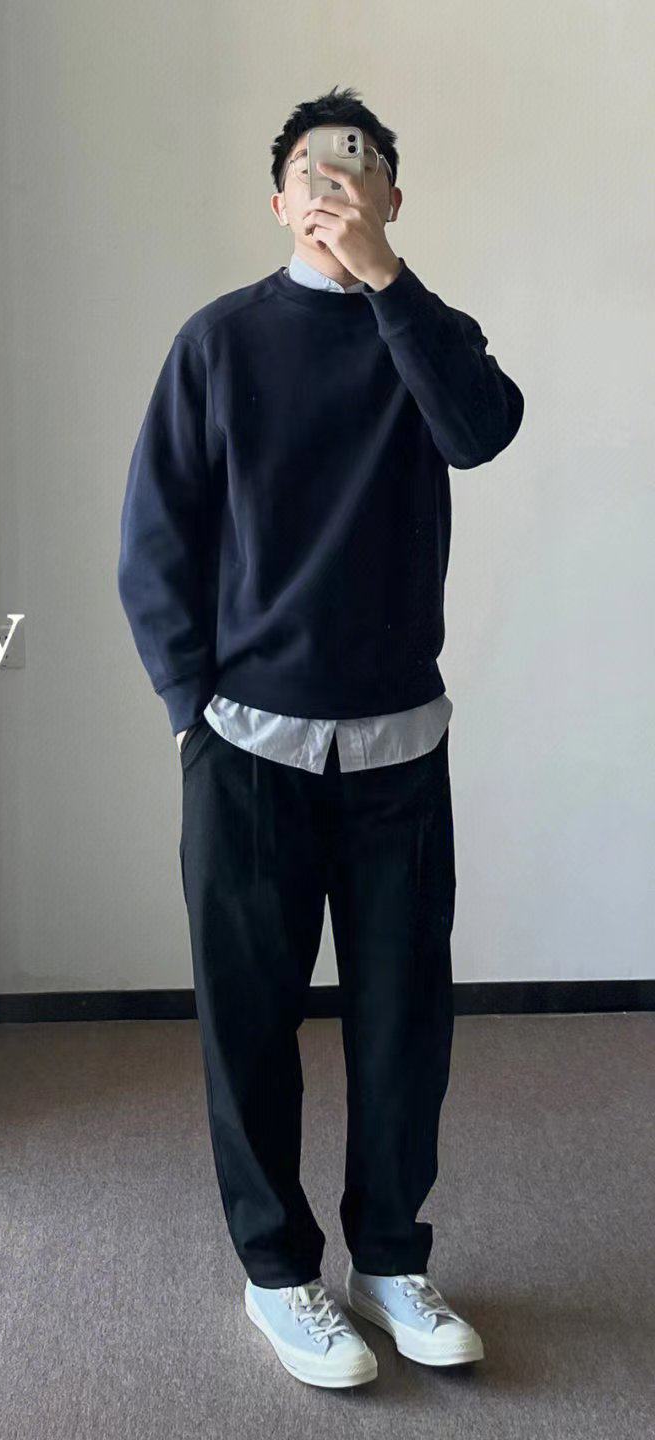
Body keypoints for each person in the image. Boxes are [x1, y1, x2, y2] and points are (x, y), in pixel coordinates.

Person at [116, 85, 524, 1390]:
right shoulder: (220, 342)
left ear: (393, 195)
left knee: (406, 1024)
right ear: (277, 201)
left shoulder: (428, 333)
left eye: (358, 166)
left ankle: (392, 1261)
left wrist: (388, 282)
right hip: (247, 750)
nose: (333, 184)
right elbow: (154, 541)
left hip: (399, 747)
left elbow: (481, 430)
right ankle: (279, 1273)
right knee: (249, 1026)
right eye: (310, 168)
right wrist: (191, 713)